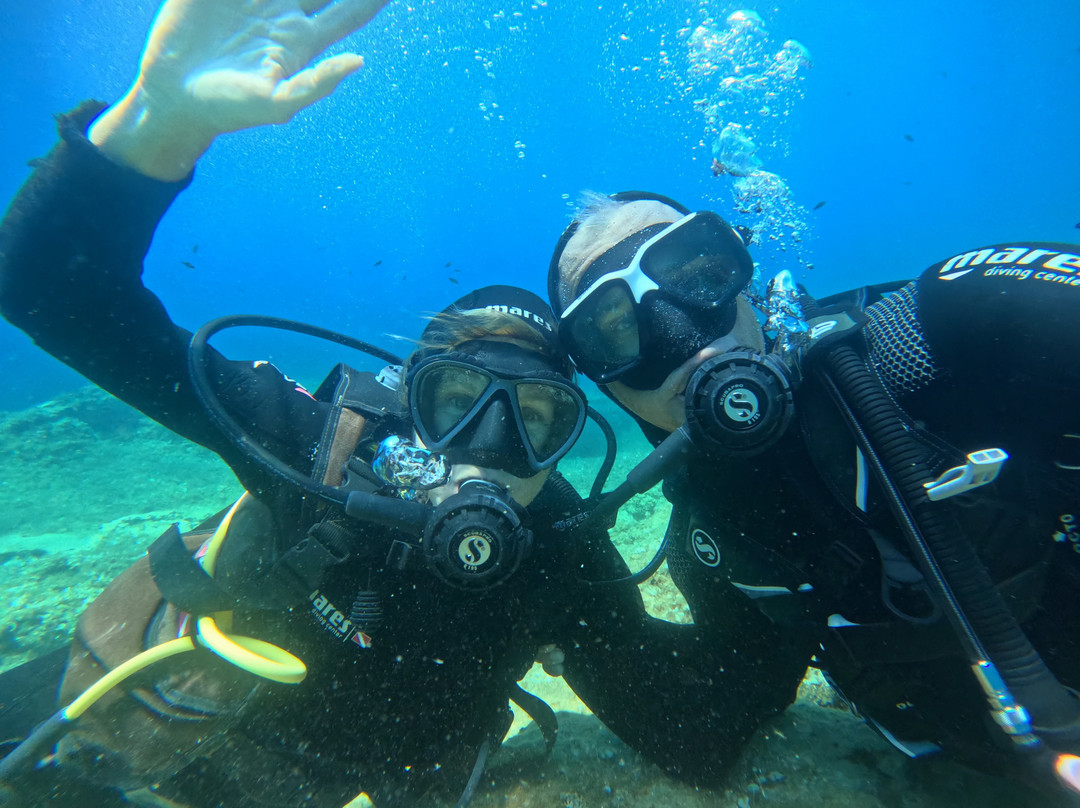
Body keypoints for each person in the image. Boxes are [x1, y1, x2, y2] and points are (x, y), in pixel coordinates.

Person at [0, 5, 746, 807]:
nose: (488, 449)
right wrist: (156, 126)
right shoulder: (311, 446)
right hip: (121, 739)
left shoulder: (558, 554)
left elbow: (689, 728)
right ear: (407, 403)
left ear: (569, 435)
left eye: (536, 420)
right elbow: (49, 290)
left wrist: (762, 527)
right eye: (457, 402)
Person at [547, 189, 1080, 801]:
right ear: (606, 387)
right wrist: (551, 590)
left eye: (696, 274)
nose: (682, 336)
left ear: (743, 273)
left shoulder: (935, 334)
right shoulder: (717, 539)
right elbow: (707, 722)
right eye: (614, 329)